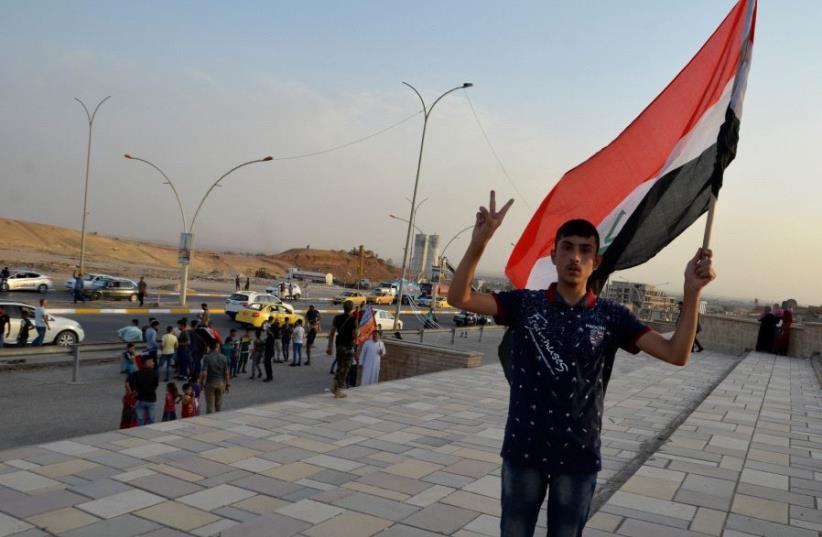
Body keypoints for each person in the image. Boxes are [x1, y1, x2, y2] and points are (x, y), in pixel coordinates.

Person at [447, 192, 715, 537]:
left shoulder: (612, 316)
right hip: (523, 449)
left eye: (585, 249)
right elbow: (460, 297)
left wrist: (692, 292)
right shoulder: (525, 305)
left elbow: (676, 354)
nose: (575, 256)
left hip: (578, 456)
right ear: (554, 255)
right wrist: (479, 243)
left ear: (596, 261)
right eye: (568, 247)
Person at [327, 300, 358, 399]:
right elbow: (354, 335)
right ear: (352, 308)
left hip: (339, 345)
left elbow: (332, 333)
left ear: (343, 308)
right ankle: (338, 391)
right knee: (345, 369)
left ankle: (334, 386)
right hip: (348, 346)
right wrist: (358, 333)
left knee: (340, 366)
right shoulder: (354, 320)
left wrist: (329, 346)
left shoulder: (337, 318)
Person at [127, 354, 159, 426]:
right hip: (151, 399)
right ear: (147, 362)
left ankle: (140, 431)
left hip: (140, 399)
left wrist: (132, 391)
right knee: (151, 418)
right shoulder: (155, 373)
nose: (153, 363)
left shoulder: (137, 373)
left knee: (140, 419)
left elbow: (128, 381)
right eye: (152, 361)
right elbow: (155, 385)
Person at [199, 340, 230, 414]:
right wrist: (228, 385)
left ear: (210, 347)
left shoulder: (207, 358)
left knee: (210, 406)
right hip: (221, 383)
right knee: (218, 405)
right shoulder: (223, 357)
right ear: (218, 346)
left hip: (210, 383)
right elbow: (226, 373)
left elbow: (204, 373)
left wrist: (201, 383)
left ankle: (210, 421)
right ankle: (218, 419)